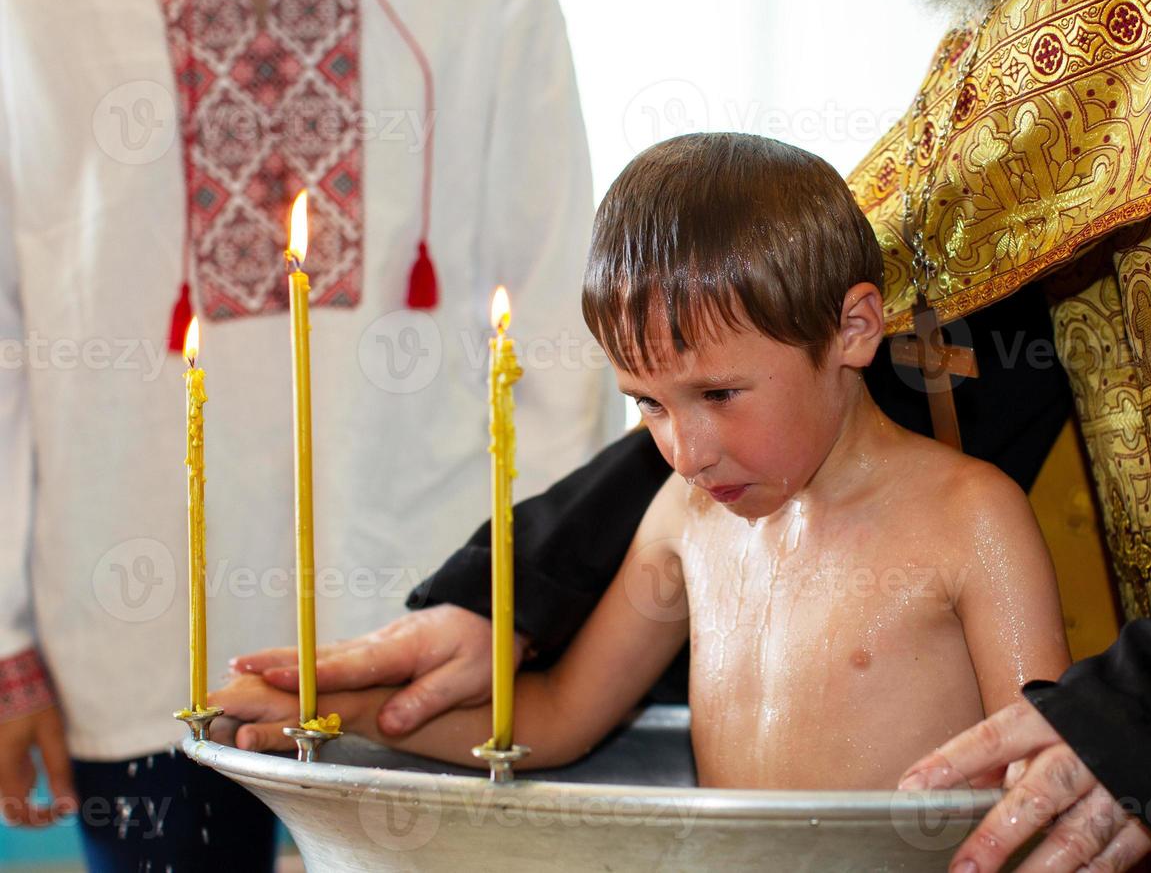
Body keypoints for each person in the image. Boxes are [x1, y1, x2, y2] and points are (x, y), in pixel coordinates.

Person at [238, 0, 1151, 869]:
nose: (686, 440)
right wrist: (508, 591)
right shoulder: (1070, 3)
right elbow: (899, 325)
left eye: (704, 403)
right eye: (647, 406)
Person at [0, 0, 615, 868]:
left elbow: (556, 299)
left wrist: (540, 602)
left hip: (438, 630)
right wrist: (4, 637)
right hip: (134, 617)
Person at [216, 133, 1071, 787]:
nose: (684, 452)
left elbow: (1047, 775)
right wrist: (333, 711)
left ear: (852, 331)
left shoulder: (969, 520)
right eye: (648, 404)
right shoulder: (683, 521)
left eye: (720, 395)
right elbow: (552, 719)